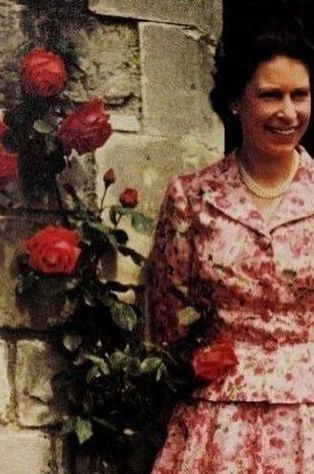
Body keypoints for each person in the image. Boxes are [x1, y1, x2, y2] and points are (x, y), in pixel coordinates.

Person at [150, 23, 314, 473]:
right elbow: (167, 320)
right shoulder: (193, 197)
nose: (288, 112)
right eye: (270, 95)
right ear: (234, 101)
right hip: (218, 424)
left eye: (299, 95)